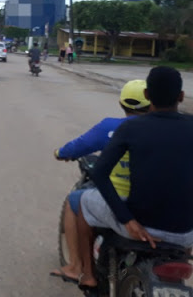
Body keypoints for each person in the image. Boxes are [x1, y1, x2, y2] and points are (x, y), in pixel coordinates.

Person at [76, 66, 193, 292]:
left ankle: (88, 275)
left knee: (82, 204)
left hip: (140, 224)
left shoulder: (132, 126)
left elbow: (100, 172)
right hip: (185, 231)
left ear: (148, 95)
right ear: (180, 96)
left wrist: (127, 219)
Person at [49, 80, 150, 285]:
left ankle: (78, 267)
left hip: (119, 202)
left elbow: (79, 145)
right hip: (157, 204)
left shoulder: (111, 127)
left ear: (122, 104)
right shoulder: (165, 129)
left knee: (75, 201)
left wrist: (61, 153)